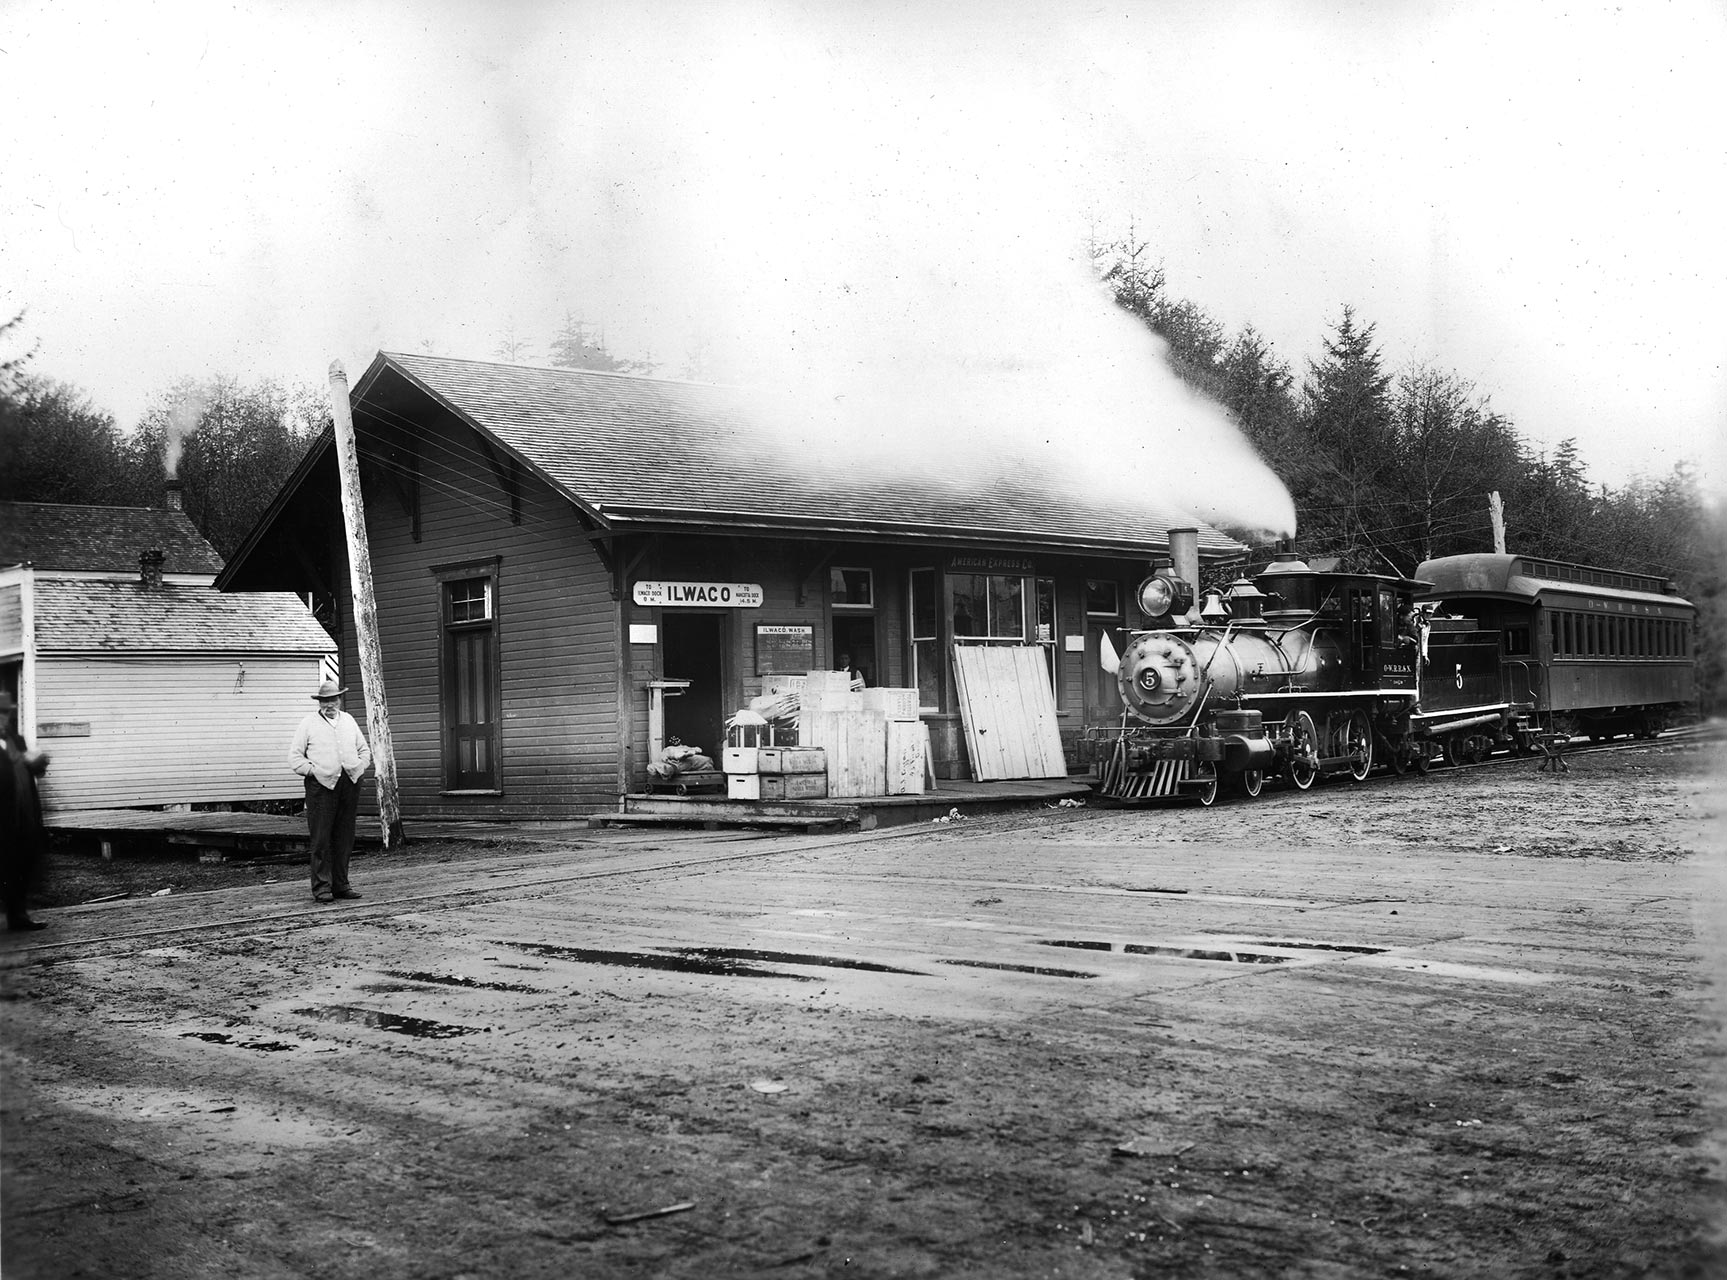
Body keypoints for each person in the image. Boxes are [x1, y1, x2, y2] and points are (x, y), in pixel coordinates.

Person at [288, 679, 372, 904]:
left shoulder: (349, 720)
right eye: (324, 701)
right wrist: (314, 772)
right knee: (321, 838)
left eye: (333, 699)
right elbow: (295, 758)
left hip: (349, 784)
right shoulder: (308, 724)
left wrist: (359, 767)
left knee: (344, 837)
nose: (329, 705)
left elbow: (364, 750)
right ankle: (322, 887)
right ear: (319, 702)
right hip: (321, 787)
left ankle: (341, 885)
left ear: (339, 699)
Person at [1, 690, 50, 931]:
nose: (3, 718)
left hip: (21, 814)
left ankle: (18, 916)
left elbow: (32, 771)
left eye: (5, 713)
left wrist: (38, 762)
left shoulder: (16, 740)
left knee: (19, 865)